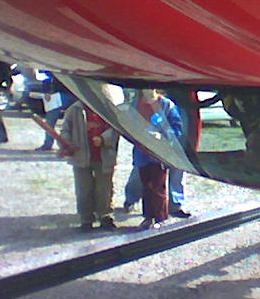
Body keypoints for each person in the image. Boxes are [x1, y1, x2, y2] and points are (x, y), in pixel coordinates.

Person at [133, 89, 191, 230]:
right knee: (146, 186)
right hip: (142, 153)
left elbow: (177, 127)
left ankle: (160, 217)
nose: (147, 89)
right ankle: (148, 217)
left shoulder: (166, 104)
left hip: (159, 154)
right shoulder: (135, 104)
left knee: (158, 186)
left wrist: (163, 137)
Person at [60, 100, 120, 231]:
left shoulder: (107, 108)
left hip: (104, 156)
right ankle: (86, 218)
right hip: (80, 156)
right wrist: (66, 143)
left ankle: (105, 216)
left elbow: (116, 129)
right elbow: (65, 129)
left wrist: (103, 139)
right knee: (83, 189)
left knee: (104, 189)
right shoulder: (75, 109)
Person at [35, 72, 76, 151]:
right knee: (51, 119)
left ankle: (49, 144)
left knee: (52, 120)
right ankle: (49, 144)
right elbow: (46, 75)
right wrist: (47, 91)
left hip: (70, 94)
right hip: (60, 95)